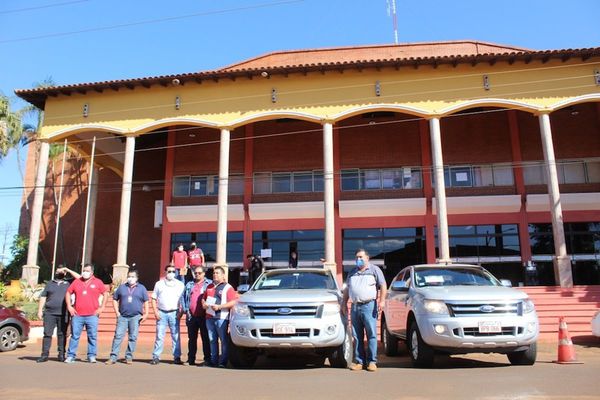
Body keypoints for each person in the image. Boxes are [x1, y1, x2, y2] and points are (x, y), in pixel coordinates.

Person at [342, 249, 387, 372]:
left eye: (361, 257)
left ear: (367, 258)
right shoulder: (352, 272)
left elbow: (383, 285)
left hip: (369, 306)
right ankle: (359, 362)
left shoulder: (374, 270)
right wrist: (344, 303)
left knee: (371, 334)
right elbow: (347, 289)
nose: (358, 259)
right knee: (357, 336)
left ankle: (372, 362)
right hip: (355, 307)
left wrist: (382, 301)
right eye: (356, 257)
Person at [64, 264, 109, 363]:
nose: (85, 272)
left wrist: (102, 307)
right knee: (75, 336)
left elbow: (105, 293)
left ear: (92, 272)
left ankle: (91, 356)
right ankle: (71, 356)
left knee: (92, 336)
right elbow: (68, 292)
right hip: (77, 315)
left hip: (92, 315)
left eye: (87, 270)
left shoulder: (98, 282)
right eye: (84, 270)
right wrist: (69, 306)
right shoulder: (77, 281)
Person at [36, 266, 81, 363]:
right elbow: (43, 297)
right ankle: (44, 355)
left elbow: (80, 278)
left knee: (62, 335)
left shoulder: (68, 282)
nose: (59, 272)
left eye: (62, 271)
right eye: (58, 271)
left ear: (64, 273)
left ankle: (61, 355)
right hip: (49, 313)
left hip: (63, 313)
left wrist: (68, 270)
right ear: (55, 272)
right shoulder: (50, 284)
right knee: (47, 334)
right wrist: (40, 310)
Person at [105, 269, 149, 365]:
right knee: (118, 336)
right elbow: (115, 299)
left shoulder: (142, 288)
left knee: (133, 337)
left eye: (132, 277)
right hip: (123, 316)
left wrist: (146, 313)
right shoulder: (121, 287)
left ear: (137, 278)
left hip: (135, 316)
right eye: (129, 276)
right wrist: (117, 312)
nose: (130, 278)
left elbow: (146, 301)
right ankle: (113, 357)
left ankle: (129, 357)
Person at [202, 266, 237, 367]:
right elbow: (203, 299)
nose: (215, 275)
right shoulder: (209, 286)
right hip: (209, 317)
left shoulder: (228, 287)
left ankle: (223, 362)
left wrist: (220, 307)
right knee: (212, 340)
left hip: (221, 317)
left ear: (223, 275)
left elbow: (233, 302)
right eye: (214, 273)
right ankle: (214, 361)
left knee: (223, 340)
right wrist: (203, 304)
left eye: (217, 273)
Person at [150, 264, 185, 365]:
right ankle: (156, 357)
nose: (171, 273)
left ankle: (177, 357)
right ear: (165, 272)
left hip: (174, 313)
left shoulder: (180, 284)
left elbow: (183, 300)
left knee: (176, 336)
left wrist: (181, 312)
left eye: (173, 271)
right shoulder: (159, 284)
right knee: (160, 336)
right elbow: (153, 298)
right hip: (161, 312)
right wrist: (155, 311)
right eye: (169, 271)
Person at [181, 266, 212, 365]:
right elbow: (183, 297)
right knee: (192, 339)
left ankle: (207, 359)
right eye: (196, 273)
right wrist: (185, 309)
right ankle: (191, 360)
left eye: (199, 273)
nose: (197, 274)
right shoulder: (190, 284)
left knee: (205, 338)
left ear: (204, 274)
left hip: (204, 316)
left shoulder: (209, 284)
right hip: (192, 316)